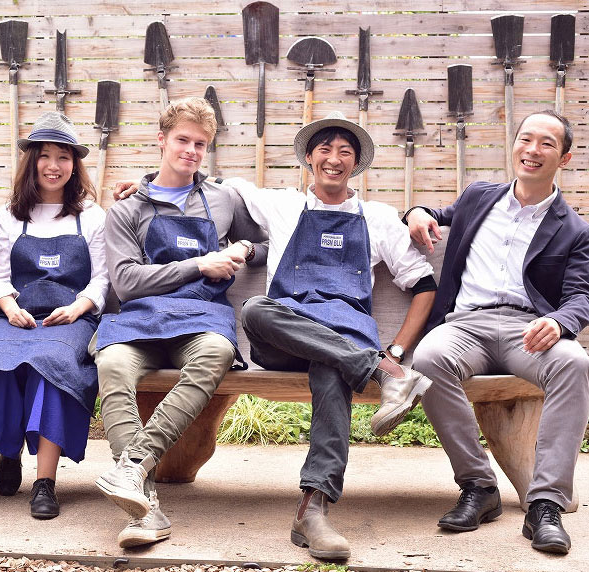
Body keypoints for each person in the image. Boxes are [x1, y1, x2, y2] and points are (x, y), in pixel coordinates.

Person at [219, 111, 437, 560]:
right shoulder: (281, 204)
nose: (334, 158)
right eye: (325, 149)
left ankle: (312, 509)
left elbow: (424, 285)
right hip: (281, 339)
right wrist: (140, 187)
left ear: (356, 163)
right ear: (309, 158)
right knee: (256, 308)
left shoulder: (376, 218)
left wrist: (398, 346)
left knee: (331, 366)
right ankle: (384, 372)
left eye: (345, 152)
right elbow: (227, 184)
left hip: (342, 339)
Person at [406, 110, 589, 555]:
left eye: (546, 143)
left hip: (529, 331)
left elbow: (582, 296)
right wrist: (415, 211)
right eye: (526, 139)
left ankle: (545, 504)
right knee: (429, 359)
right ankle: (478, 485)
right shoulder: (478, 197)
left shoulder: (575, 228)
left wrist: (559, 322)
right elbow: (436, 213)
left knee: (575, 363)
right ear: (514, 146)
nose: (532, 150)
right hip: (467, 325)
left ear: (563, 159)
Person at [92, 97, 267, 548]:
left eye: (200, 144)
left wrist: (244, 251)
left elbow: (260, 240)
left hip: (202, 317)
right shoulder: (128, 209)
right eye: (183, 140)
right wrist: (199, 265)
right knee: (112, 365)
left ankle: (132, 469)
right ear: (162, 140)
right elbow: (127, 282)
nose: (191, 151)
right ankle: (146, 503)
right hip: (140, 318)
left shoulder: (224, 198)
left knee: (216, 353)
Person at [0, 112, 109, 519]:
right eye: (45, 156)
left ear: (76, 165)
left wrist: (77, 307)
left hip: (71, 320)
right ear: (31, 161)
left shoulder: (91, 215)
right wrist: (8, 307)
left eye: (64, 157)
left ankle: (45, 482)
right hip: (17, 314)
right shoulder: (9, 216)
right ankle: (8, 450)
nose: (54, 166)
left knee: (50, 366)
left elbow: (103, 279)